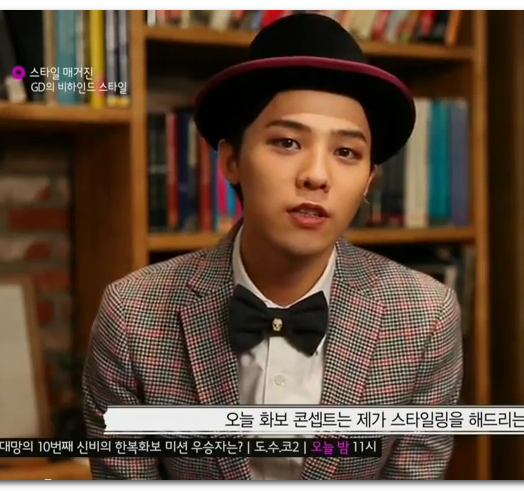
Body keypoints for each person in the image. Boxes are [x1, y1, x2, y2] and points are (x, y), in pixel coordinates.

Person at [82, 12, 463, 480]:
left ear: (369, 179)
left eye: (346, 152)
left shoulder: (425, 316)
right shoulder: (133, 313)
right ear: (231, 160)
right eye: (287, 142)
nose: (316, 175)